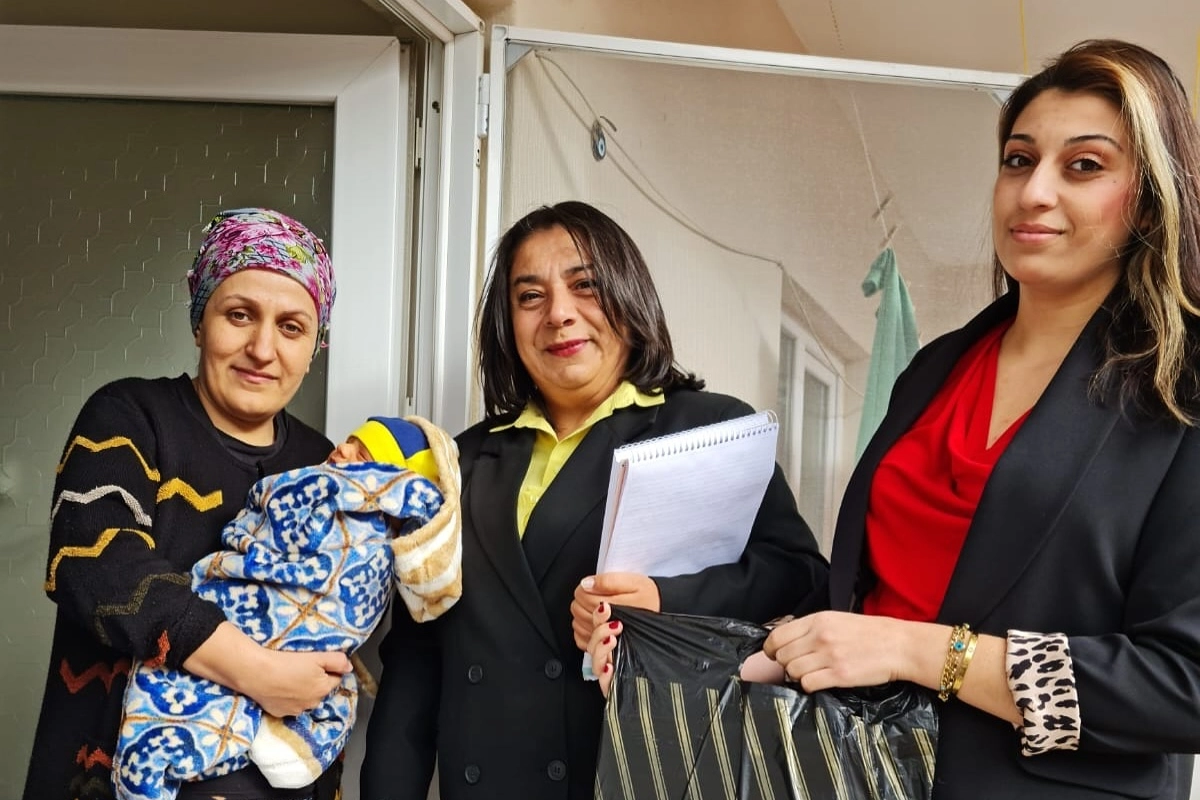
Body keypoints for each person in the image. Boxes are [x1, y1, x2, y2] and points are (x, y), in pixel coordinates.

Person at [590, 39, 1200, 799]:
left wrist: (926, 654)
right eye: (1018, 160)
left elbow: (1183, 685)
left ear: (1150, 198)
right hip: (857, 771)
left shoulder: (1180, 390)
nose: (1034, 192)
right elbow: (862, 604)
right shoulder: (937, 370)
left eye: (1083, 165)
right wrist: (672, 635)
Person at [360, 200, 828, 800]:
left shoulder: (708, 429)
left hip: (637, 778)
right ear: (507, 322)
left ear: (629, 297)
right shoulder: (457, 461)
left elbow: (801, 579)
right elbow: (416, 665)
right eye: (530, 296)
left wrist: (663, 600)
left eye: (585, 286)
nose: (559, 314)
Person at [25, 207, 350, 800]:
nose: (262, 348)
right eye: (239, 315)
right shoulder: (128, 417)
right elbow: (96, 565)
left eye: (291, 327)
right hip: (106, 776)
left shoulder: (323, 465)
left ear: (314, 347)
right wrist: (260, 673)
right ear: (201, 322)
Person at [113, 415, 463, 800]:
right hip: (227, 620)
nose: (342, 450)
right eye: (349, 441)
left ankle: (277, 743)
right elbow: (264, 523)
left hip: (302, 664)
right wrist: (260, 670)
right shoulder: (134, 416)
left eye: (362, 454)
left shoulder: (366, 522)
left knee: (335, 688)